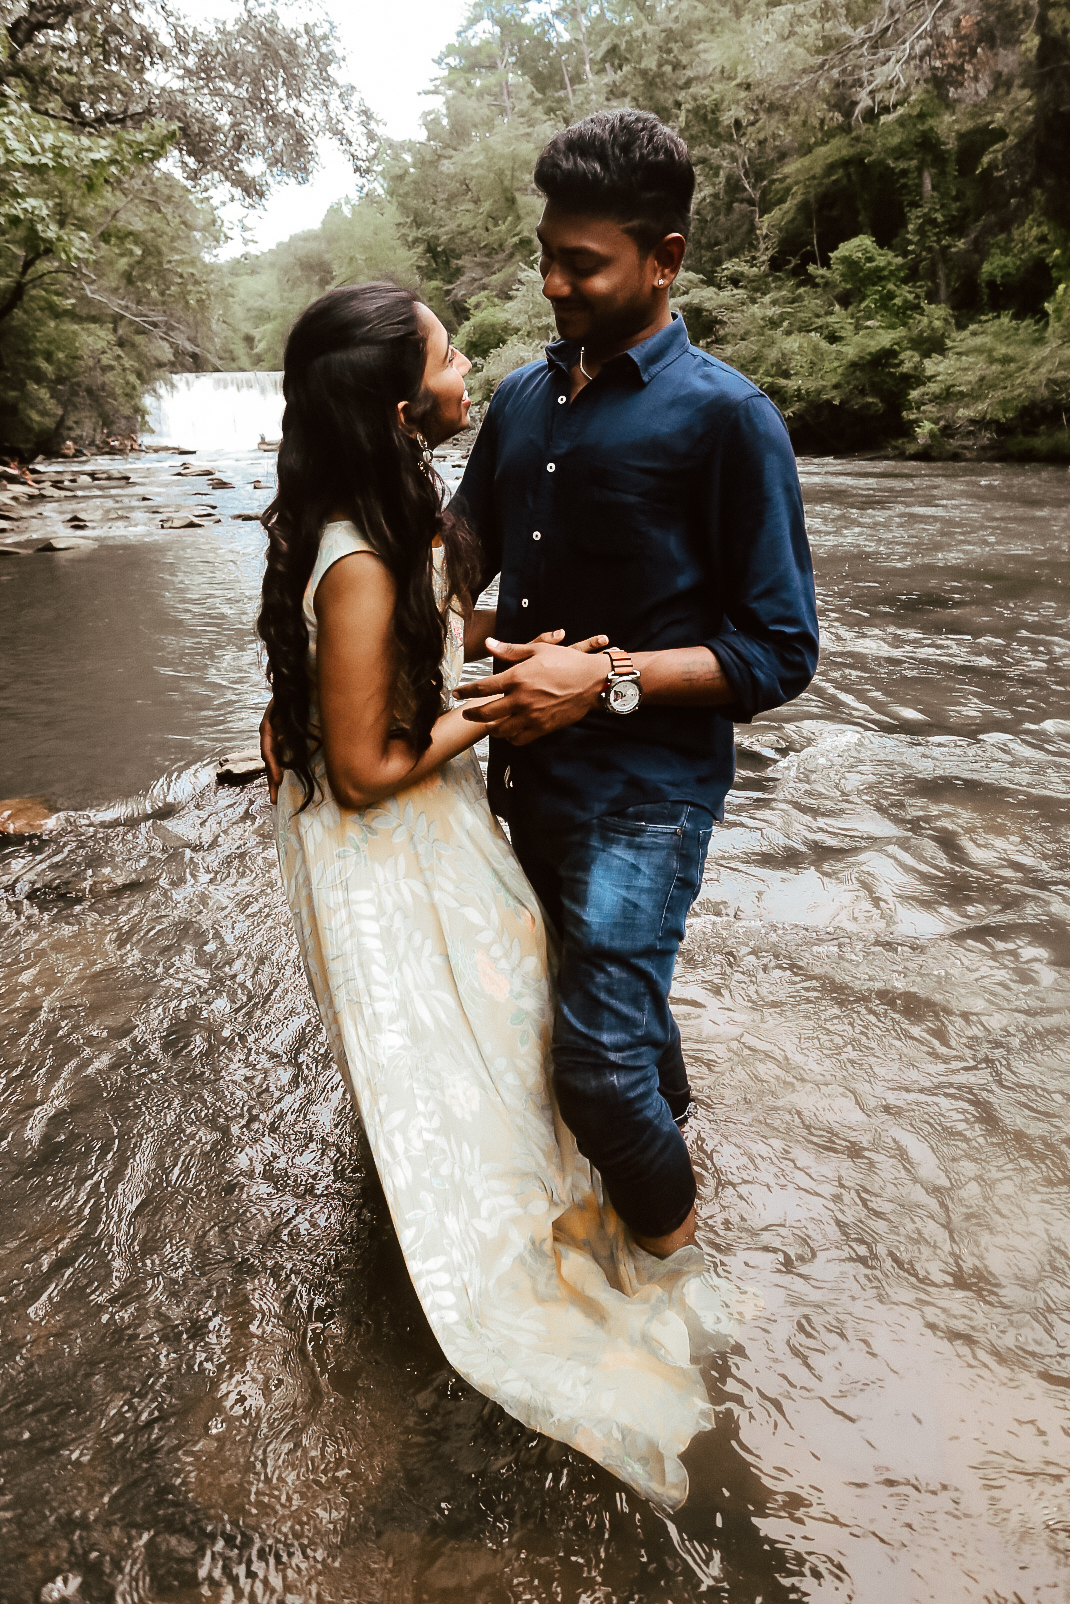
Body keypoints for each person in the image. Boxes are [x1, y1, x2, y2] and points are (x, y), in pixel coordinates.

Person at [258, 281, 718, 1509]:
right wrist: (499, 710)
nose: (473, 367)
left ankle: (498, 1223)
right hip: (391, 842)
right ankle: (506, 1265)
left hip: (414, 827)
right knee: (484, 1045)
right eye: (451, 354)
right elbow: (361, 771)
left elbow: (348, 702)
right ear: (406, 405)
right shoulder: (360, 556)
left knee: (476, 1041)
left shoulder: (380, 510)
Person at [451, 109, 819, 1259]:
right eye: (546, 258)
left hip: (645, 795)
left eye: (583, 266)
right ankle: (679, 1156)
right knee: (607, 1022)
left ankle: (679, 1287)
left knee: (596, 1069)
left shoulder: (727, 419)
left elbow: (779, 650)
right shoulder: (518, 399)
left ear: (664, 261)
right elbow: (464, 550)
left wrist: (601, 676)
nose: (552, 286)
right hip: (520, 781)